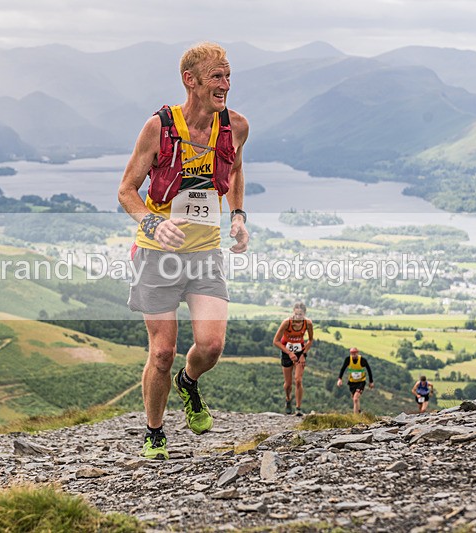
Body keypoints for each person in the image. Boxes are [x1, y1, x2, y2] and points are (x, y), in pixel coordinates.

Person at [117, 42, 250, 460]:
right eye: (217, 77)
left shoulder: (237, 126)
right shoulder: (158, 128)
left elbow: (237, 168)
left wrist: (239, 215)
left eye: (228, 76)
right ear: (189, 81)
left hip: (205, 252)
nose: (225, 85)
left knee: (210, 346)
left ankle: (189, 382)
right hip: (157, 253)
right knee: (161, 352)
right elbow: (126, 192)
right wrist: (154, 223)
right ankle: (154, 432)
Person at [272, 302, 313, 416]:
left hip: (300, 352)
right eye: (296, 314)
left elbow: (310, 340)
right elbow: (276, 341)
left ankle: (298, 408)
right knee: (288, 384)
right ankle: (288, 399)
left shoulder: (308, 323)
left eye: (301, 314)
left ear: (304, 314)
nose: (298, 316)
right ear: (293, 313)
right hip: (286, 352)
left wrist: (303, 354)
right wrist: (289, 353)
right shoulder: (286, 323)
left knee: (298, 380)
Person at [336, 347, 374, 414]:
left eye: (355, 354)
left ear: (357, 353)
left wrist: (371, 382)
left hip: (361, 382)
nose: (353, 355)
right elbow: (342, 369)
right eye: (352, 354)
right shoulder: (348, 360)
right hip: (352, 383)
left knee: (355, 398)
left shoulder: (362, 360)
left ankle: (355, 416)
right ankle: (359, 412)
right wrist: (340, 379)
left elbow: (369, 370)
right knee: (355, 399)